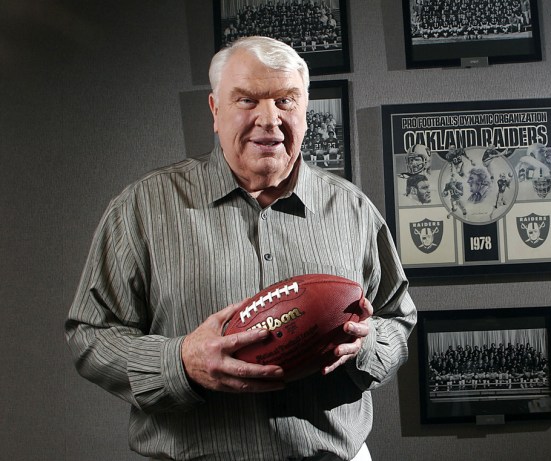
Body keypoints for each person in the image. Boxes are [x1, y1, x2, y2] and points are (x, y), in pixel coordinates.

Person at [65, 36, 416, 461]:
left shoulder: (353, 210)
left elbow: (397, 320)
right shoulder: (141, 208)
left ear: (306, 110)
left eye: (285, 101)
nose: (269, 119)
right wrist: (180, 362)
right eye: (247, 100)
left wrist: (367, 344)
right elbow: (90, 335)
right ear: (215, 111)